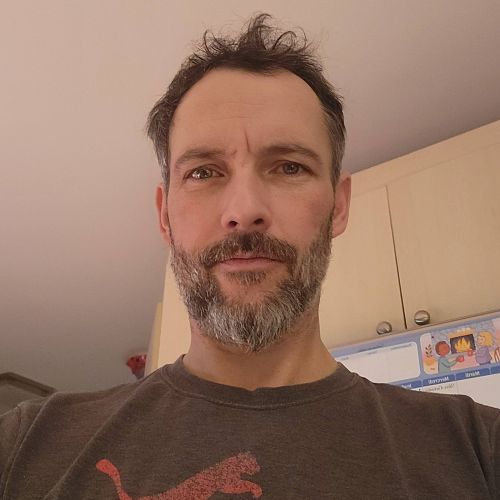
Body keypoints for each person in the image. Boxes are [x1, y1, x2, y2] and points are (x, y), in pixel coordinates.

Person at [1, 14, 499, 499]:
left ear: (339, 206)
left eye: (289, 166)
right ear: (164, 216)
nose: (244, 211)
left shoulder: (480, 448)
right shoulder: (26, 442)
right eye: (203, 172)